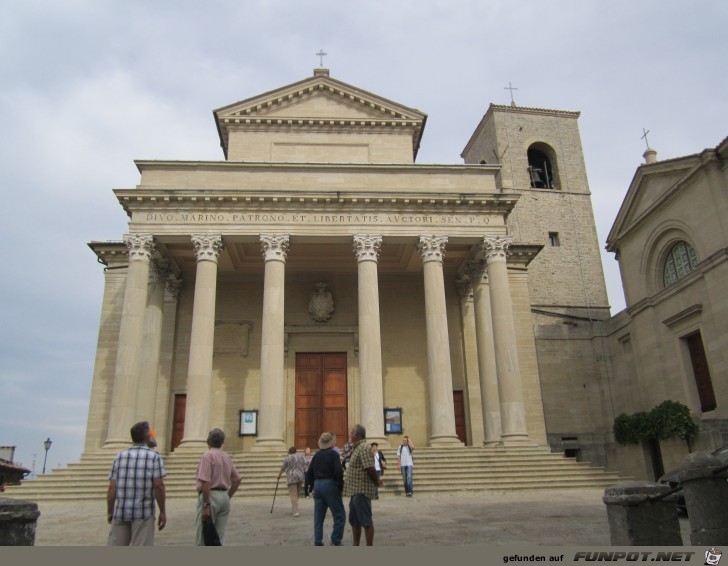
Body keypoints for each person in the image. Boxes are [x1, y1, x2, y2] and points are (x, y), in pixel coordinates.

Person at [106, 421, 166, 546]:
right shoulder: (154, 456)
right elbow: (158, 486)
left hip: (121, 512)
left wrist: (110, 510)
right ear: (147, 437)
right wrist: (163, 511)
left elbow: (112, 487)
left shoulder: (119, 457)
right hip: (143, 513)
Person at [195, 428, 241, 545]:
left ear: (208, 441)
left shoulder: (207, 456)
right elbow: (237, 479)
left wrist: (206, 504)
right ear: (222, 442)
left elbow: (206, 482)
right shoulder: (226, 457)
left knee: (203, 536)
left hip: (211, 497)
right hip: (224, 497)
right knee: (219, 537)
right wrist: (228, 496)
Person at [343, 424, 383, 546]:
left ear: (357, 436)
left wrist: (377, 481)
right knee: (354, 521)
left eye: (351, 433)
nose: (350, 435)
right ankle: (356, 544)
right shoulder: (356, 448)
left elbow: (370, 468)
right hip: (354, 490)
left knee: (366, 521)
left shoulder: (364, 448)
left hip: (361, 490)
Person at [305, 432, 345, 546]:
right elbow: (338, 471)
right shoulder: (333, 454)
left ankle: (318, 541)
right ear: (331, 443)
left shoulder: (316, 455)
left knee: (318, 517)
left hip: (317, 485)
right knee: (339, 515)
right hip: (330, 484)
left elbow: (309, 473)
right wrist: (340, 486)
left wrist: (313, 486)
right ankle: (336, 540)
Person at [278, 446, 306, 517]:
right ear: (295, 451)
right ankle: (294, 508)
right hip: (300, 476)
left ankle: (295, 511)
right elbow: (304, 466)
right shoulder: (301, 457)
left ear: (289, 452)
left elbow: (283, 468)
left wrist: (279, 475)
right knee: (297, 494)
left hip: (292, 477)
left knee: (293, 494)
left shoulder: (288, 458)